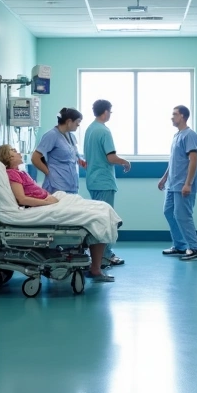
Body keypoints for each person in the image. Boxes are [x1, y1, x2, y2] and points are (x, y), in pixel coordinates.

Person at [0, 144, 114, 282]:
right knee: (98, 215)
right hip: (46, 205)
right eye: (13, 151)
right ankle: (95, 269)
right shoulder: (12, 174)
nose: (18, 152)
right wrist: (48, 203)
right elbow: (22, 199)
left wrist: (51, 199)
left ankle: (96, 266)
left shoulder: (20, 172)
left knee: (102, 208)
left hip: (52, 200)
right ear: (6, 157)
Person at [83, 99, 131, 268]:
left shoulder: (89, 129)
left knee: (97, 219)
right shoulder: (104, 131)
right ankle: (105, 256)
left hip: (93, 180)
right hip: (104, 181)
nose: (110, 114)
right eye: (110, 111)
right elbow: (111, 157)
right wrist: (125, 162)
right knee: (105, 220)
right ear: (105, 112)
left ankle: (99, 256)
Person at [158, 105, 197, 261]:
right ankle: (180, 246)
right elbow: (174, 161)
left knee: (183, 216)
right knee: (168, 212)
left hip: (183, 184)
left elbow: (193, 160)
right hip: (172, 184)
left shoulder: (190, 135)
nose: (172, 117)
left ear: (182, 116)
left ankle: (195, 248)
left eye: (175, 114)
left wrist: (188, 184)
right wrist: (165, 178)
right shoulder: (177, 135)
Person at [32, 107, 85, 195]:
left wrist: (79, 160)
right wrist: (49, 174)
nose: (78, 125)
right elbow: (35, 158)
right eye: (78, 121)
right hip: (56, 186)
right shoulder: (51, 135)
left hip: (71, 185)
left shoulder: (71, 136)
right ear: (69, 121)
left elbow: (72, 154)